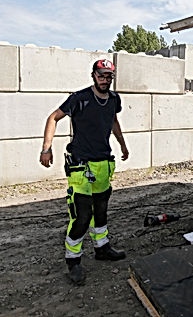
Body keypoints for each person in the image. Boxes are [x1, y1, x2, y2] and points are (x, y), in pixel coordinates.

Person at [40, 59, 129, 284]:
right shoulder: (79, 98)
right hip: (81, 166)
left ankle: (102, 248)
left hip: (103, 164)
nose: (105, 80)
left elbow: (113, 121)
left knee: (101, 210)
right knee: (82, 216)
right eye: (101, 76)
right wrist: (46, 149)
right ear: (93, 76)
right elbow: (53, 117)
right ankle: (73, 260)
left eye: (108, 76)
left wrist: (123, 144)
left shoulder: (114, 99)